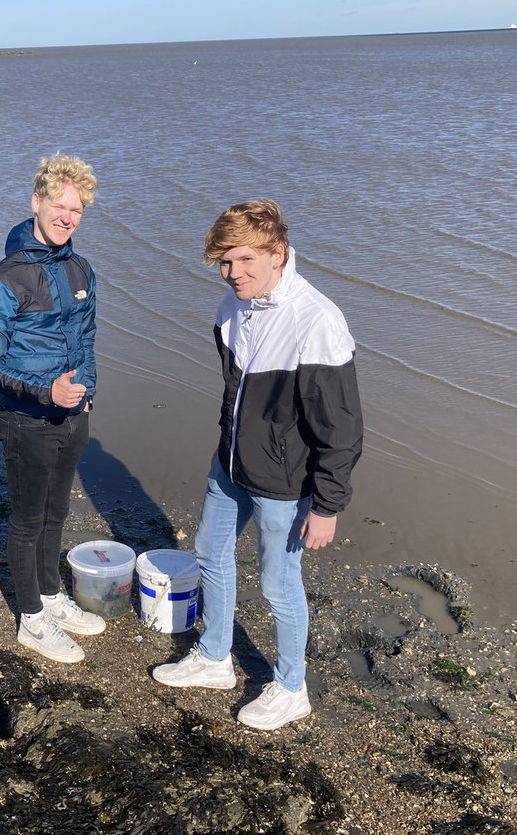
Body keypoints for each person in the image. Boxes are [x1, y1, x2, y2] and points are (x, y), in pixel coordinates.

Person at [152, 200, 363, 730]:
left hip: (286, 484)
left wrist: (328, 504)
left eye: (245, 260)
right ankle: (216, 658)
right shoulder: (232, 307)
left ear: (278, 254)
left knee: (278, 582)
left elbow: (341, 428)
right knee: (209, 552)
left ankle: (292, 688)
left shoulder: (318, 321)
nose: (234, 274)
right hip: (231, 464)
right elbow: (234, 394)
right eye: (224, 262)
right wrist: (227, 448)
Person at [0, 153, 104, 663]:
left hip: (74, 415)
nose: (67, 217)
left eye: (77, 210)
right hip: (25, 419)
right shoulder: (2, 279)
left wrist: (86, 387)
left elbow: (87, 336)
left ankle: (52, 596)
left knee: (57, 512)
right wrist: (47, 392)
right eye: (59, 206)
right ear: (37, 202)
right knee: (27, 520)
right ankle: (31, 618)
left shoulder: (80, 268)